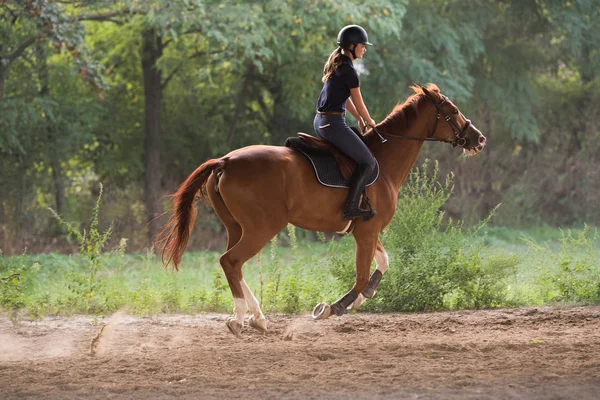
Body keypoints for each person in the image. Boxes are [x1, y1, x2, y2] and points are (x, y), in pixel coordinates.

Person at [313, 24, 377, 221]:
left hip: (321, 122)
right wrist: (370, 121)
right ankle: (351, 207)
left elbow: (344, 99)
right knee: (368, 162)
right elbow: (360, 103)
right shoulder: (349, 71)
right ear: (351, 46)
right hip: (332, 124)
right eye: (362, 45)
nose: (364, 49)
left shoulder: (339, 65)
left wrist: (358, 119)